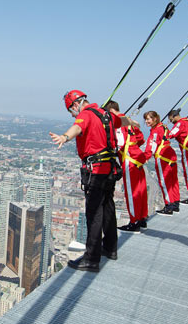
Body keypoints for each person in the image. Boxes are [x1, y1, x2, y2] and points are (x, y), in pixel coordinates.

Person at [49, 90, 128, 272]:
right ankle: (110, 248)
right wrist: (133, 122)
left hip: (96, 170)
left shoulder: (85, 115)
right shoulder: (105, 114)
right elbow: (122, 121)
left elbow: (77, 128)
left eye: (70, 110)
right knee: (108, 206)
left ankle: (91, 259)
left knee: (94, 213)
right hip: (110, 168)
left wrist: (65, 137)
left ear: (76, 104)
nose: (71, 114)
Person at [105, 101, 148, 233]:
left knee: (132, 192)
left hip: (129, 160)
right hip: (137, 158)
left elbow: (120, 143)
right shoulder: (130, 121)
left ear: (111, 111)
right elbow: (141, 138)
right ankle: (141, 218)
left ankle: (134, 222)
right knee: (140, 191)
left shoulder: (119, 123)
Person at [143, 111, 180, 214]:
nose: (146, 121)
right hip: (171, 155)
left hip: (162, 157)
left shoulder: (155, 131)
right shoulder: (163, 126)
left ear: (154, 119)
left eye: (148, 119)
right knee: (173, 181)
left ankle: (169, 205)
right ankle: (176, 203)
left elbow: (152, 145)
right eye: (146, 119)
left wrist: (146, 156)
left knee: (164, 182)